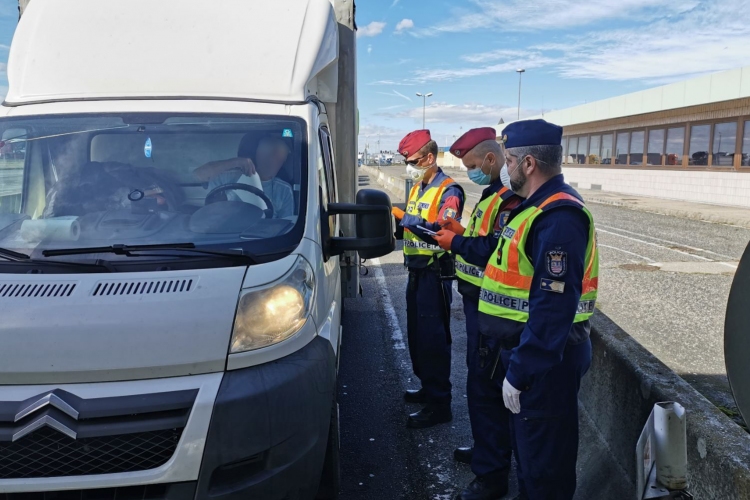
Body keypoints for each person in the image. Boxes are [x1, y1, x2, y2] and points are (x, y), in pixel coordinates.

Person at [476, 119, 599, 500]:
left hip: (546, 363)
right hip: (526, 354)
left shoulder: (558, 217)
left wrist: (523, 370)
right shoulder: (534, 208)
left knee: (545, 468)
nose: (504, 167)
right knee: (530, 459)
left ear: (528, 164)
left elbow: (553, 305)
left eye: (508, 159)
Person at [432, 128, 523, 500]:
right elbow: (481, 236)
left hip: (492, 308)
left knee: (485, 389)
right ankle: (488, 452)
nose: (471, 172)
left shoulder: (509, 198)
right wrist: (459, 230)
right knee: (481, 386)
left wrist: (457, 242)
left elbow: (490, 248)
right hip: (477, 303)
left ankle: (491, 474)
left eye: (472, 165)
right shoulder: (490, 195)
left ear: (490, 159)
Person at [391, 130, 465, 429]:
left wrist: (403, 217)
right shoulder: (419, 186)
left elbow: (440, 231)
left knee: (434, 341)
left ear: (430, 158)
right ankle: (427, 386)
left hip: (436, 275)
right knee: (418, 337)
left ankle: (439, 403)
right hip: (417, 272)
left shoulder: (450, 191)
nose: (409, 166)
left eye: (412, 161)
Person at [194, 134, 295, 219]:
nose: (275, 158)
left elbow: (286, 226)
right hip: (225, 233)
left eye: (282, 153)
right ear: (254, 152)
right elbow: (199, 174)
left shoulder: (284, 190)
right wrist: (235, 162)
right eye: (269, 150)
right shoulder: (227, 177)